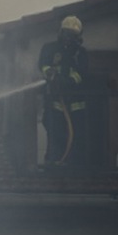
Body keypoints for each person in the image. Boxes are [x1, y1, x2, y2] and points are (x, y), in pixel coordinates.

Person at [38, 15, 88, 166]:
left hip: (75, 103)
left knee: (75, 135)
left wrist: (67, 82)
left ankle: (73, 164)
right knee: (54, 132)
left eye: (72, 35)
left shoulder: (80, 53)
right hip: (54, 102)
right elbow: (43, 65)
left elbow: (81, 74)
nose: (68, 38)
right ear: (60, 33)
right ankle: (53, 162)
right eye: (66, 33)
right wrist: (51, 75)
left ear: (78, 37)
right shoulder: (49, 49)